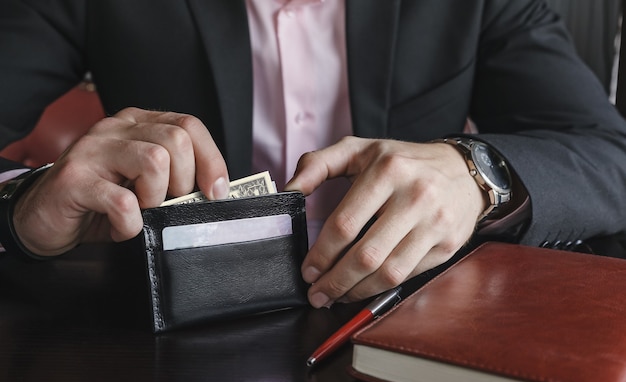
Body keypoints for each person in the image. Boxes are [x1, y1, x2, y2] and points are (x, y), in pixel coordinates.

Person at [1, 0, 626, 309]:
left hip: (410, 331)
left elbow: (606, 152)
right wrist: (22, 204)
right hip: (157, 349)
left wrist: (475, 174)